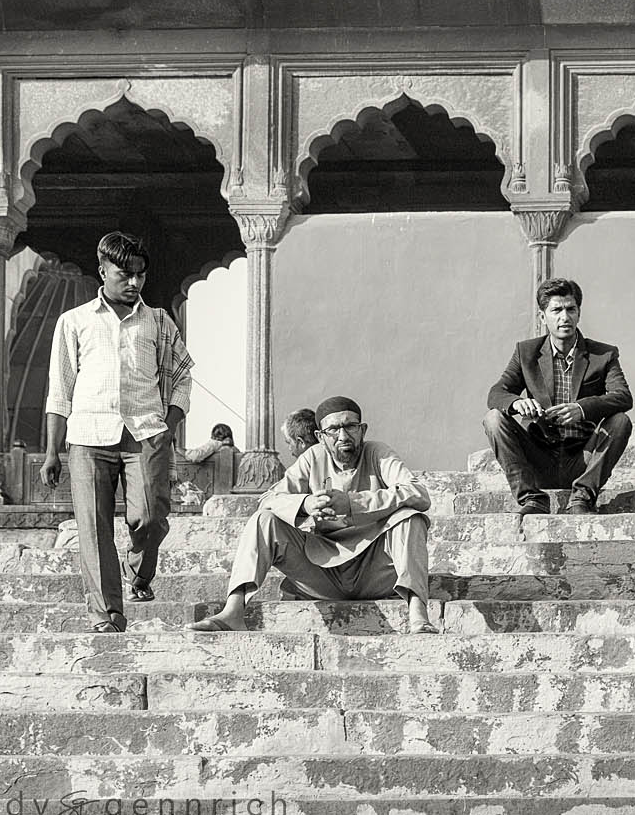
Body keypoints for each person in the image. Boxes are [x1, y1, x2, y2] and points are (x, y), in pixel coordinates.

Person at [40, 232, 193, 633]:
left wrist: (169, 425)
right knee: (93, 528)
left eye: (141, 275)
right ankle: (107, 614)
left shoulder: (159, 321)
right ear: (103, 271)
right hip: (88, 437)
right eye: (125, 274)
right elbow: (61, 388)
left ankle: (139, 571)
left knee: (151, 517)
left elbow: (181, 378)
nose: (135, 283)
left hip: (145, 432)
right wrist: (52, 451)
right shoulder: (74, 322)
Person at [188, 395, 435, 634]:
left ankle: (418, 614)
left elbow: (418, 493)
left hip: (374, 571)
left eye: (350, 426)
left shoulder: (378, 453)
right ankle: (233, 611)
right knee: (264, 521)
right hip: (322, 572)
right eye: (334, 430)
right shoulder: (312, 458)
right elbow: (267, 500)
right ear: (320, 436)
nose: (343, 436)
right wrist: (305, 504)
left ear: (363, 430)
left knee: (411, 517)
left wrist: (352, 503)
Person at [483, 277, 633, 516]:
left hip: (583, 459)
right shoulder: (526, 352)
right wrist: (517, 403)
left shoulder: (603, 354)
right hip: (539, 456)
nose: (565, 317)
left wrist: (581, 408)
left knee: (621, 421)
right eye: (556, 310)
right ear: (543, 317)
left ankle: (582, 498)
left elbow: (623, 397)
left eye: (571, 309)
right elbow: (496, 393)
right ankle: (532, 498)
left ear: (579, 314)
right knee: (493, 419)